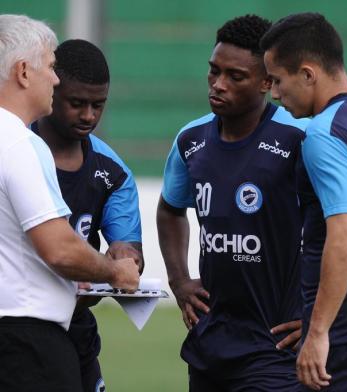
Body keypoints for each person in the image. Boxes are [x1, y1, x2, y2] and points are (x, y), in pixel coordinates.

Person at [157, 15, 310, 391]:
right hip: (211, 343)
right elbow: (170, 208)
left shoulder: (300, 139)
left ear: (266, 82)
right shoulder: (190, 140)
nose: (218, 85)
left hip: (276, 348)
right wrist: (178, 280)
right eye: (214, 71)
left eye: (235, 76)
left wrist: (321, 316)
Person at [0, 15, 139, 392]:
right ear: (24, 72)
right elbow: (59, 250)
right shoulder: (20, 144)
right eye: (50, 67)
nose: (55, 78)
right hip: (25, 340)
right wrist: (113, 272)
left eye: (99, 105)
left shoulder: (112, 171)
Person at [261, 12, 347, 391]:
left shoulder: (324, 133)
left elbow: (345, 235)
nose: (273, 94)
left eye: (278, 80)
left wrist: (317, 331)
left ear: (307, 73)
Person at [33, 39, 144, 392]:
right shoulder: (16, 150)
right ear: (52, 89)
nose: (88, 116)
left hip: (77, 330)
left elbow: (128, 251)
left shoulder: (113, 172)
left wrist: (125, 260)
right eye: (77, 103)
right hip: (20, 328)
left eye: (98, 105)